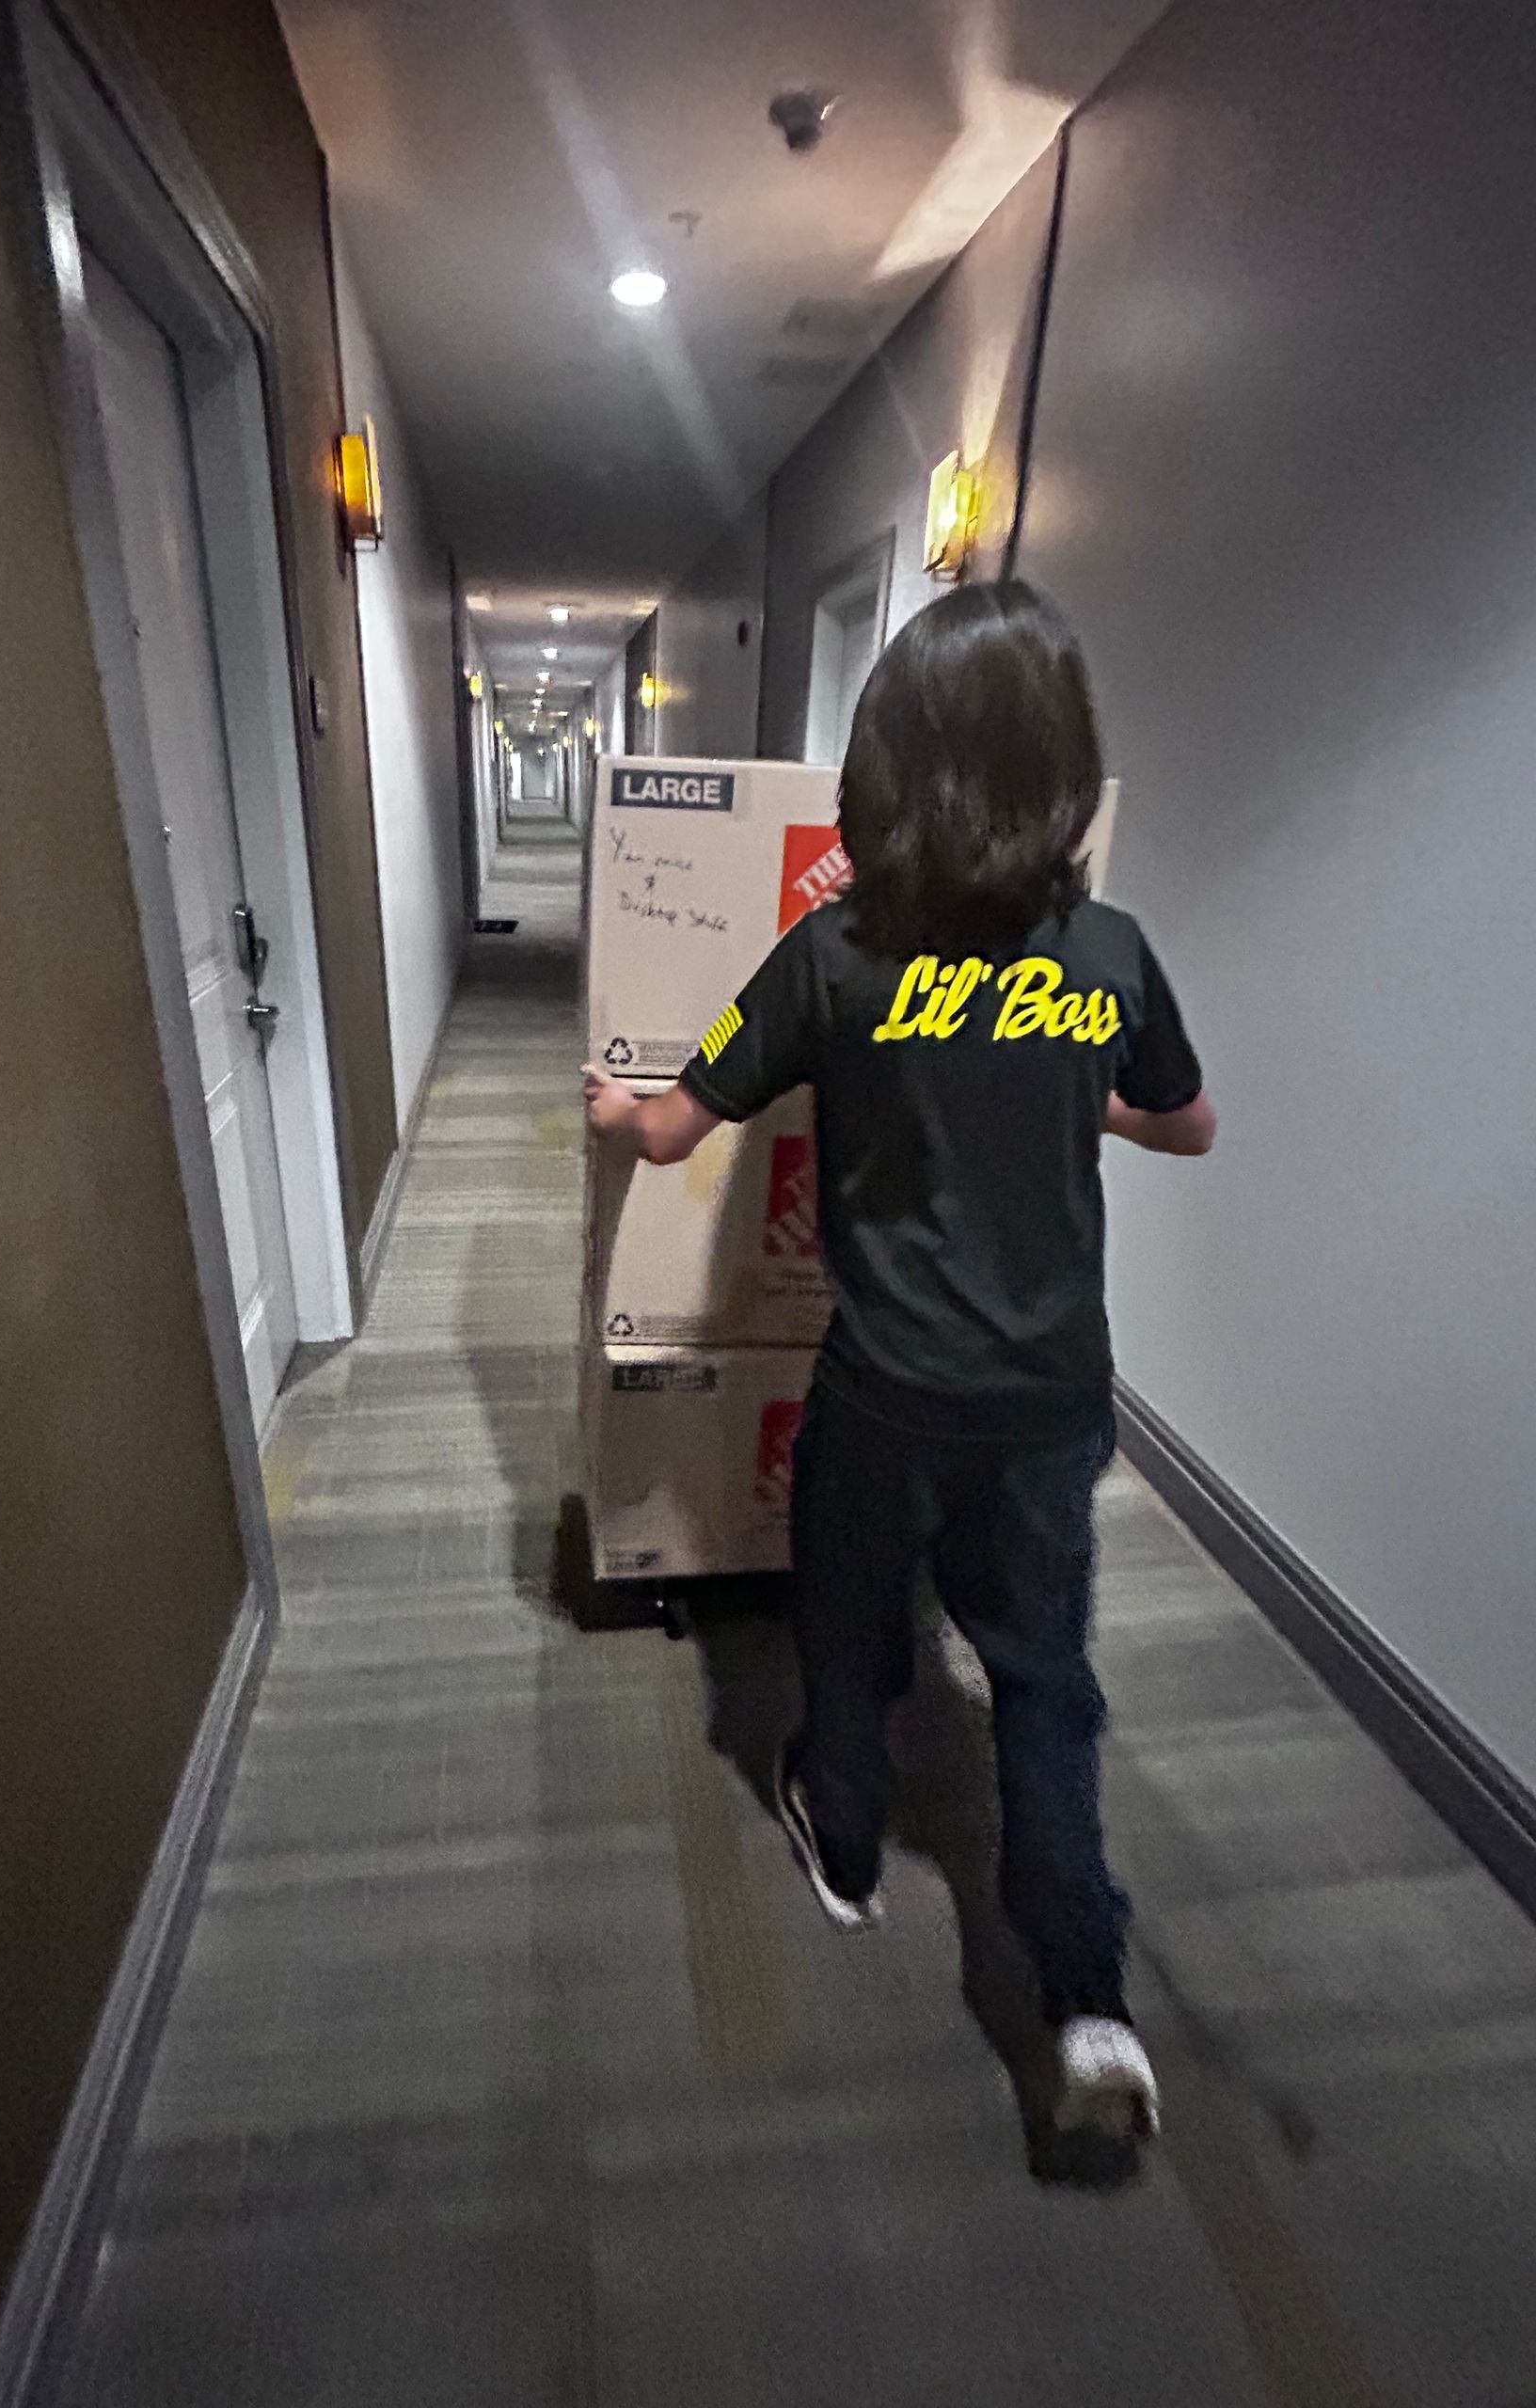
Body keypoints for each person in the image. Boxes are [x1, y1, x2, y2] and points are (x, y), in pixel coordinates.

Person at [583, 580, 1214, 2144]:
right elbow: (1187, 1123)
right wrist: (1068, 1090)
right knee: (1046, 1685)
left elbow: (673, 1129)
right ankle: (1088, 2009)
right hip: (1054, 1400)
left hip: (885, 1391)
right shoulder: (1110, 952)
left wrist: (615, 1110)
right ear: (1059, 774)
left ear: (887, 770)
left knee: (852, 1628)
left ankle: (852, 1849)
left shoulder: (836, 956)